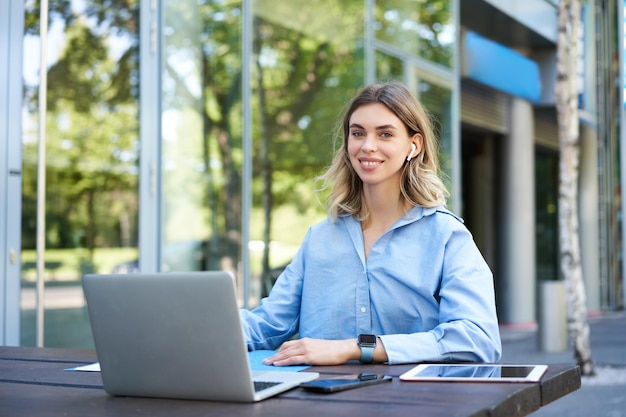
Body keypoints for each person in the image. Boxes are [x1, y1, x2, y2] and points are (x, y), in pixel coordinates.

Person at [239, 81, 502, 366]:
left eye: (385, 134)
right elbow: (266, 326)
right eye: (358, 133)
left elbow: (477, 338)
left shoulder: (446, 236)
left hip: (412, 404)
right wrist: (198, 327)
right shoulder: (320, 238)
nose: (367, 146)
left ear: (414, 145)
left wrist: (356, 347)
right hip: (320, 404)